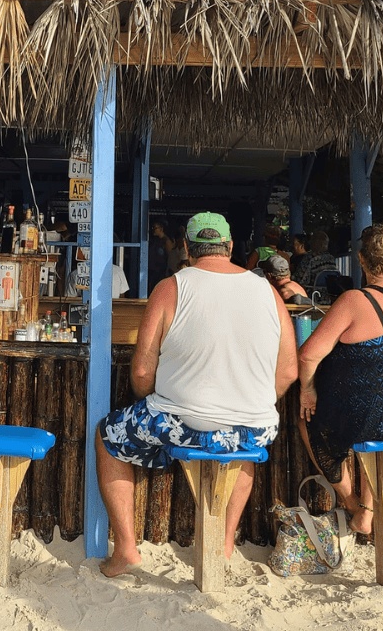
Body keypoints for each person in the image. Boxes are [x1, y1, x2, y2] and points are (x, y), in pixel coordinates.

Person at [96, 212, 297, 576]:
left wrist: (156, 396)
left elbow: (141, 372)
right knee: (243, 447)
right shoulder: (268, 292)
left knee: (108, 436)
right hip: (255, 427)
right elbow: (288, 372)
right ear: (231, 247)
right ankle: (221, 546)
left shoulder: (172, 287)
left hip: (182, 422)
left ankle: (126, 549)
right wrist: (250, 403)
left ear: (187, 248)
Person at [298, 222, 383, 536]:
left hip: (372, 420)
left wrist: (307, 390)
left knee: (311, 424)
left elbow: (308, 355)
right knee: (380, 418)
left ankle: (353, 503)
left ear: (360, 260)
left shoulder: (355, 301)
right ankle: (368, 509)